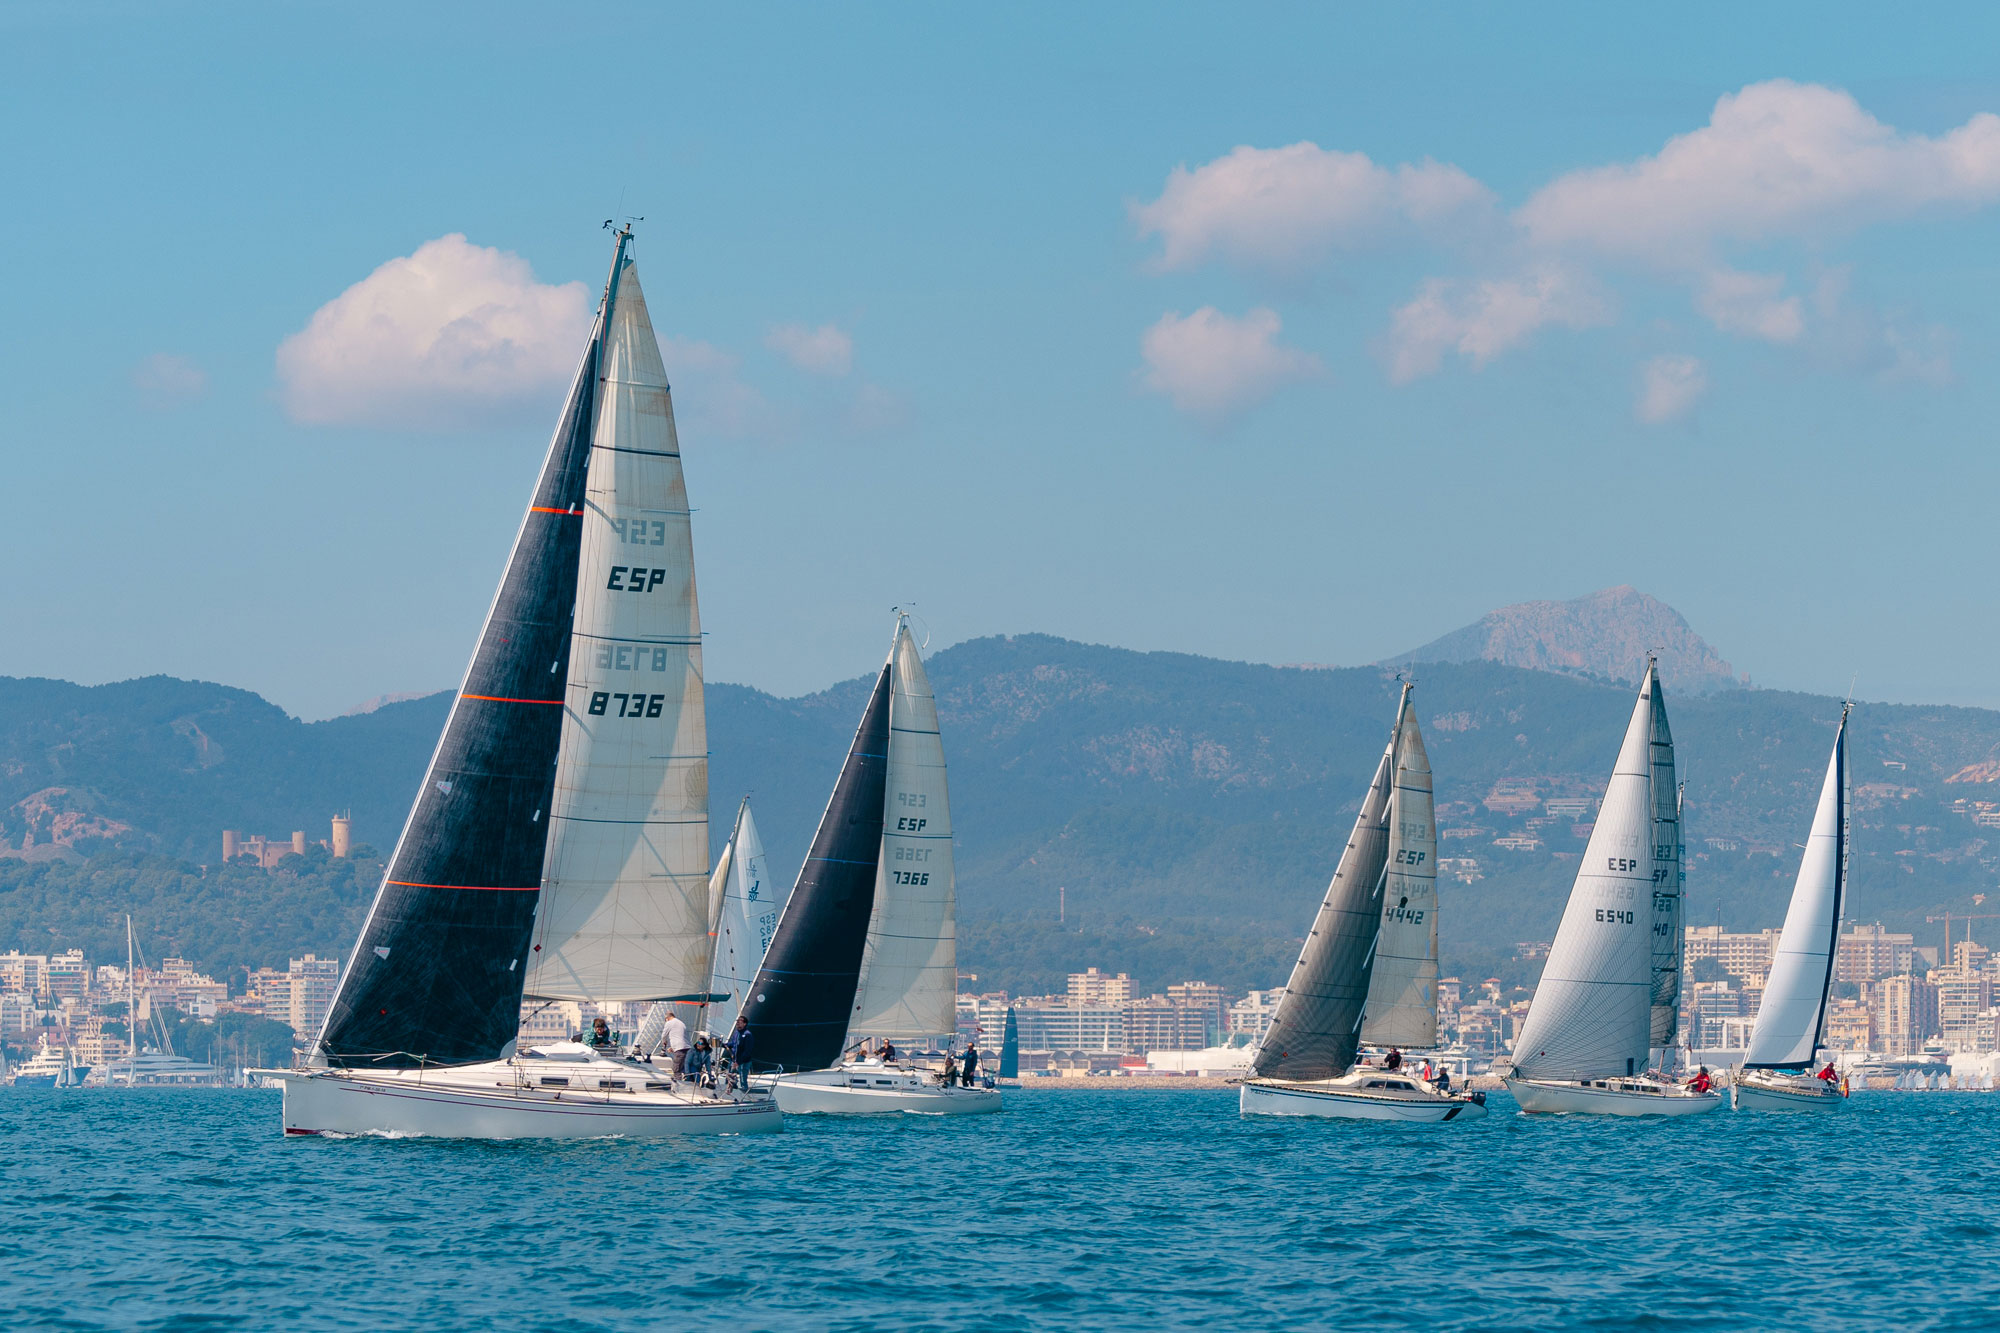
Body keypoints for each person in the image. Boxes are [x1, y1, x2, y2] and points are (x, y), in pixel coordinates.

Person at [727, 1016, 754, 1090]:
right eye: (737, 1021)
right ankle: (729, 1091)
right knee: (730, 1077)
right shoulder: (736, 1033)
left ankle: (744, 1093)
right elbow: (733, 1043)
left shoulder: (748, 1034)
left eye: (740, 1021)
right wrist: (723, 1044)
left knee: (743, 1079)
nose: (738, 1022)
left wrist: (738, 1062)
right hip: (734, 1060)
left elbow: (747, 1051)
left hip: (744, 1061)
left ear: (744, 1024)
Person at [663, 1012, 691, 1077]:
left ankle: (678, 1085)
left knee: (676, 1069)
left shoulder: (669, 1023)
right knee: (684, 1069)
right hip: (688, 1049)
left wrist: (664, 1042)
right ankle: (688, 1084)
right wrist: (673, 1048)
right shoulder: (681, 1023)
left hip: (680, 1050)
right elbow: (681, 1038)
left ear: (667, 1018)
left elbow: (664, 1035)